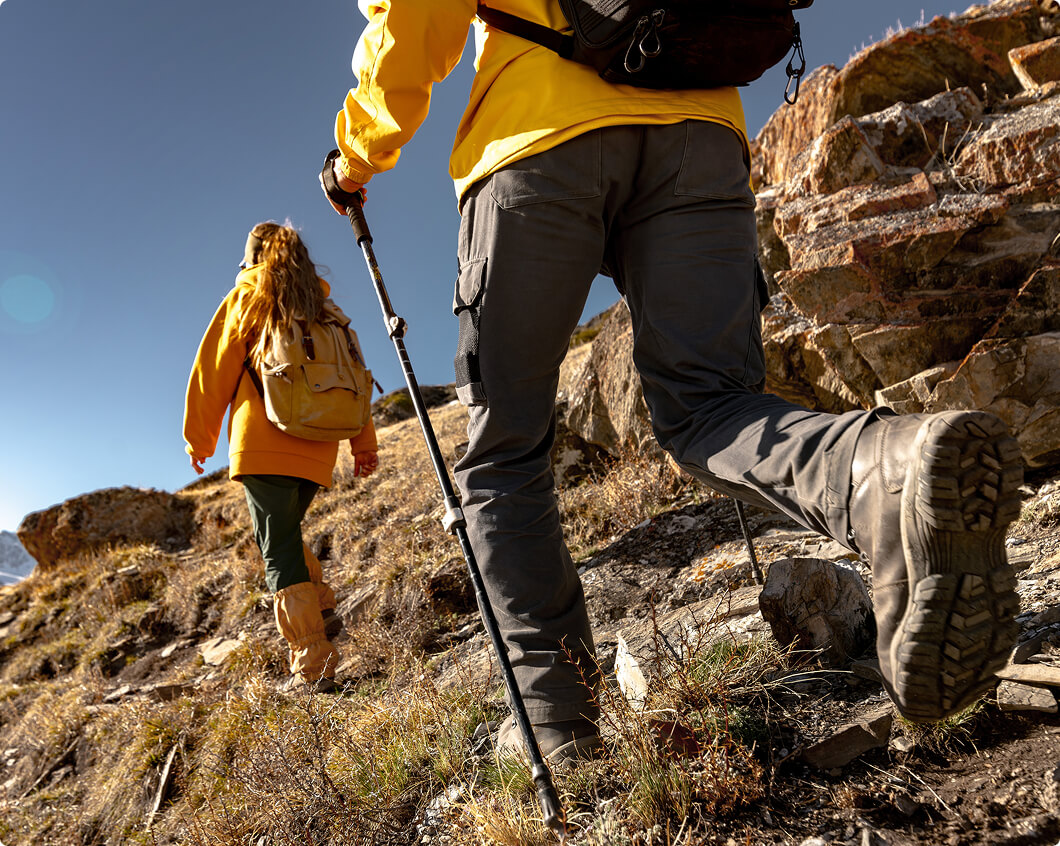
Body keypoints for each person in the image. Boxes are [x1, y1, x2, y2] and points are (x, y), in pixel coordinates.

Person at [321, 1, 1023, 759]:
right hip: (699, 126)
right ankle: (887, 471)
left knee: (504, 456)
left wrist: (354, 156)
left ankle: (560, 728)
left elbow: (417, 14)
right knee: (710, 406)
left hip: (536, 138)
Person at [183, 221, 380, 693]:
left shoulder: (248, 298)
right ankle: (321, 607)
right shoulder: (328, 312)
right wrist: (363, 443)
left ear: (252, 260)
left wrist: (198, 440)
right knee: (284, 537)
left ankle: (312, 663)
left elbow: (212, 371)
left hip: (263, 442)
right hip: (320, 445)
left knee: (277, 551)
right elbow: (355, 377)